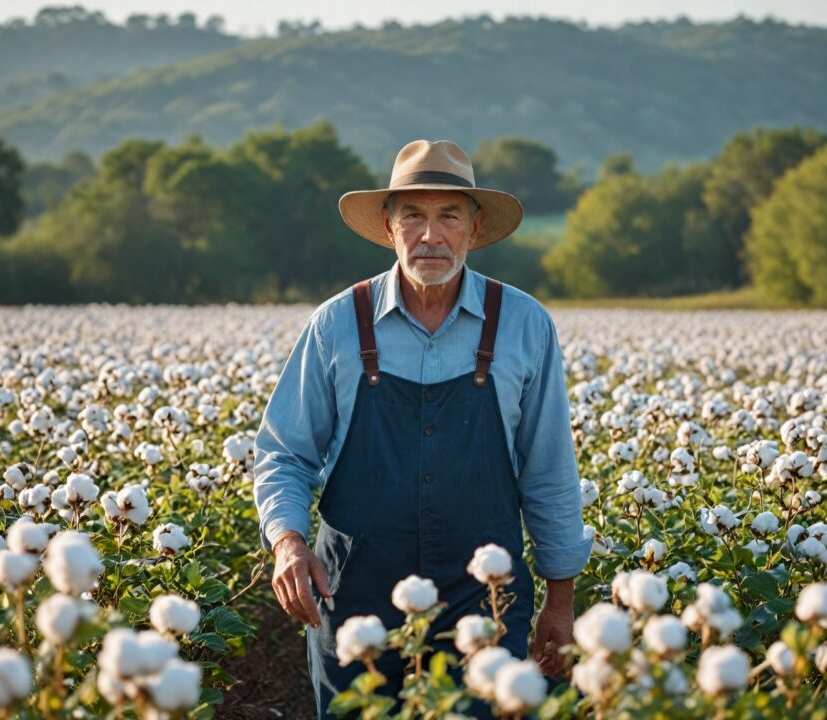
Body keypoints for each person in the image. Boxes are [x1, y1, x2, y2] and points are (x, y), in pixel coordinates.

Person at [253, 139, 592, 719]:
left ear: (474, 228)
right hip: (354, 597)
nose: (429, 235)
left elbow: (550, 472)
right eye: (412, 215)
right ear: (389, 227)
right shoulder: (336, 324)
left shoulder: (524, 325)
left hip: (485, 599)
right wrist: (287, 541)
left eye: (448, 216)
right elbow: (284, 453)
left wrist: (559, 604)